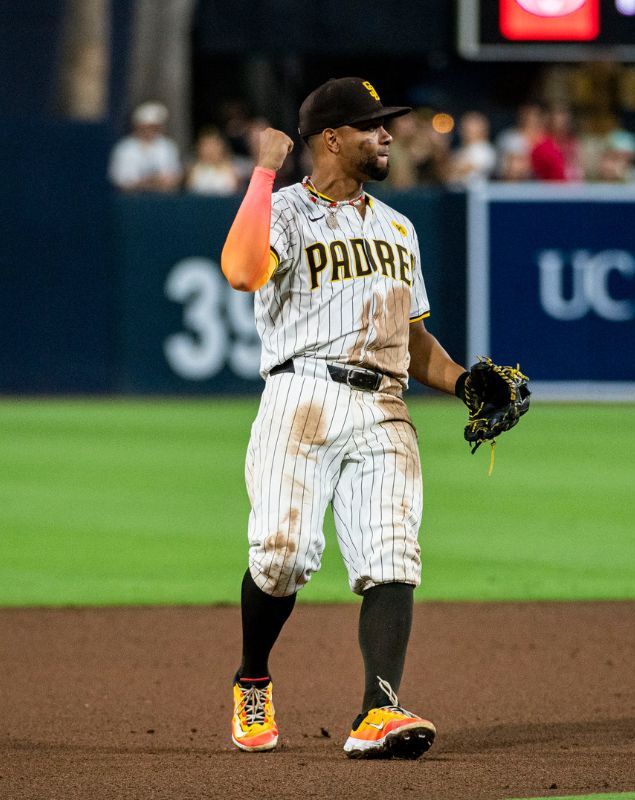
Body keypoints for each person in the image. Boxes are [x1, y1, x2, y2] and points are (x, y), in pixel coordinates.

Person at [218, 77, 475, 760]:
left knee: (393, 555)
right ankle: (252, 677)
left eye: (386, 124)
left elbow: (414, 340)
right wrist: (264, 171)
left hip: (386, 407)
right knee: (282, 557)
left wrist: (465, 382)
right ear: (331, 138)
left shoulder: (399, 227)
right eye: (372, 125)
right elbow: (242, 272)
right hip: (301, 398)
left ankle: (377, 712)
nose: (387, 134)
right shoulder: (284, 212)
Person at [107, 102, 182, 193]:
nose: (153, 130)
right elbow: (118, 179)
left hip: (163, 199)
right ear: (139, 126)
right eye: (150, 126)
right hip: (132, 200)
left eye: (156, 127)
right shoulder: (125, 148)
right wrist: (147, 181)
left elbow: (175, 175)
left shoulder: (167, 146)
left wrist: (163, 181)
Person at [446, 111, 498, 187]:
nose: (466, 129)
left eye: (471, 126)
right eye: (464, 126)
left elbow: (463, 169)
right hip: (453, 193)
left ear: (482, 129)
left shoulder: (485, 150)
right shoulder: (458, 150)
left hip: (474, 195)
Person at [186, 128, 241, 196]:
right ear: (199, 147)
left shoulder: (232, 170)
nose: (210, 150)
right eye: (206, 145)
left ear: (221, 146)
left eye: (213, 145)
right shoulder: (193, 171)